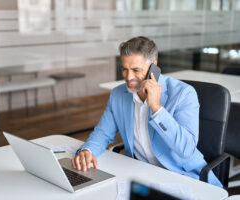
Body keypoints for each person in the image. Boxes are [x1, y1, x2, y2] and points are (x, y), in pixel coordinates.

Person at [71, 36, 222, 188]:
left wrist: (157, 108)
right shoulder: (118, 95)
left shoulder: (184, 94)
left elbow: (187, 149)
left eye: (136, 70)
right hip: (142, 175)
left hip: (182, 176)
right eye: (124, 69)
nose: (128, 77)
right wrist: (87, 150)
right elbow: (102, 134)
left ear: (153, 67)